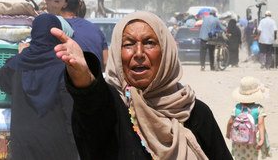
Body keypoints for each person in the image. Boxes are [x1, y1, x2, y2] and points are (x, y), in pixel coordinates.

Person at [51, 11, 233, 159]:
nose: (138, 53)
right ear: (117, 53)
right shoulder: (113, 108)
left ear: (166, 52)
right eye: (129, 44)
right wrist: (82, 75)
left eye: (149, 43)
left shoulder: (194, 112)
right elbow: (92, 104)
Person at [0, 13, 79, 159]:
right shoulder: (63, 66)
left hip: (23, 145)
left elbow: (1, 81)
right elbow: (71, 112)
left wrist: (20, 55)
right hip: (57, 146)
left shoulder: (17, 64)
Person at [61, 0, 108, 71]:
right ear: (79, 4)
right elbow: (106, 63)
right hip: (96, 82)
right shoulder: (96, 30)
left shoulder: (53, 29)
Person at [226, 76, 271, 159]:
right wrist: (261, 139)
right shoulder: (259, 109)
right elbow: (261, 124)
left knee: (239, 157)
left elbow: (230, 122)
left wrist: (228, 133)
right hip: (253, 140)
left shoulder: (237, 108)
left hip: (238, 138)